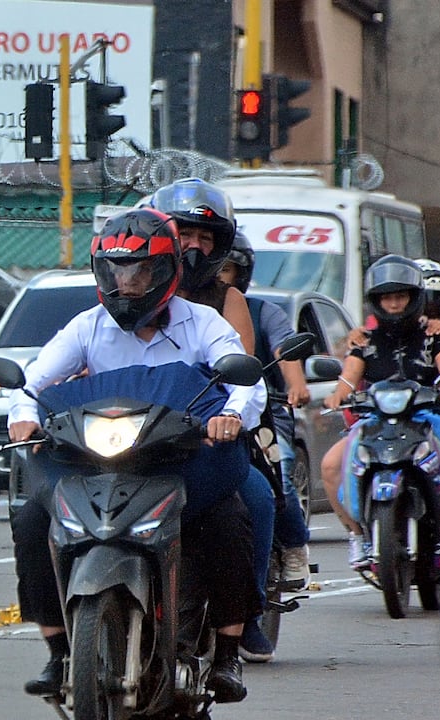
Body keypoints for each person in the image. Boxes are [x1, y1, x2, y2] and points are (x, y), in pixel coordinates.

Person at [9, 208, 262, 703]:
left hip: (180, 459)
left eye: (139, 270)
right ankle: (59, 651)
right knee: (30, 521)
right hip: (100, 462)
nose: (127, 283)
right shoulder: (87, 327)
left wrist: (230, 416)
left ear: (166, 270)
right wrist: (24, 414)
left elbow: (243, 383)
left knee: (233, 516)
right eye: (117, 272)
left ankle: (229, 654)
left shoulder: (203, 322)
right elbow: (34, 381)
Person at [147, 178, 276, 663]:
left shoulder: (228, 301)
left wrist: (225, 417)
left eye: (206, 238)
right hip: (137, 429)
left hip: (205, 431)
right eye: (184, 234)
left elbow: (243, 368)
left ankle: (247, 614)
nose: (194, 246)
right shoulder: (126, 289)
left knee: (258, 500)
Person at [321, 254, 440, 572]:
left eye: (400, 296)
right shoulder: (364, 341)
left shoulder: (433, 336)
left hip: (426, 418)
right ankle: (359, 537)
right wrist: (335, 397)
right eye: (387, 297)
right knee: (329, 465)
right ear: (376, 301)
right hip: (375, 421)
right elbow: (347, 380)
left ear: (414, 297)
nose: (394, 304)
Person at [218, 234, 314, 598]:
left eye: (226, 268)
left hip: (265, 409)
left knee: (279, 471)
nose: (219, 275)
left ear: (241, 273)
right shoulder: (182, 310)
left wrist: (295, 385)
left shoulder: (262, 311)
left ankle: (293, 546)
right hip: (203, 410)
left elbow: (285, 350)